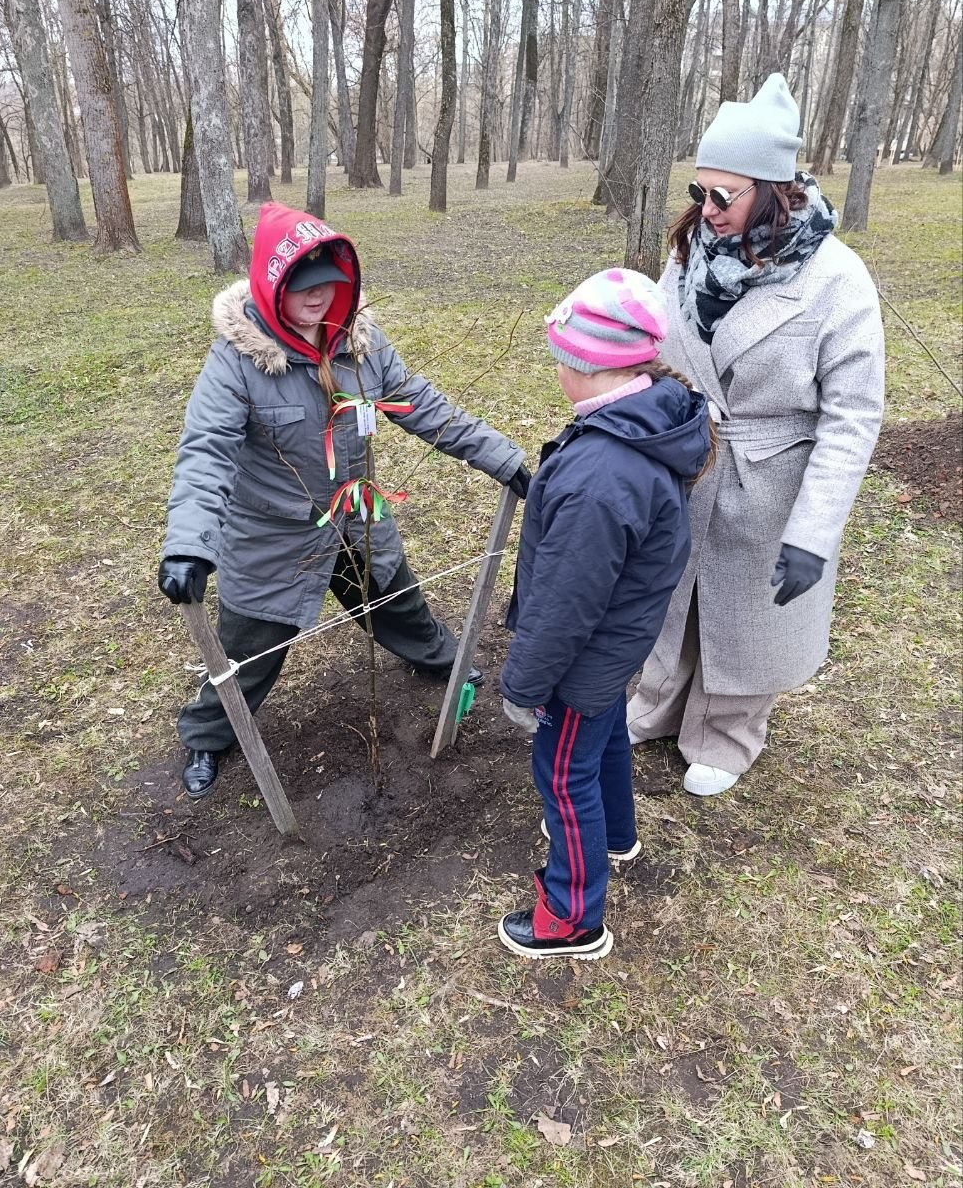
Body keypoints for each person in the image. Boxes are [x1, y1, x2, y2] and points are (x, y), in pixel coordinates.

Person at [158, 202, 530, 799]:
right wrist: (187, 546)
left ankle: (435, 657)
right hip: (273, 538)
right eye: (303, 286)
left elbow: (421, 405)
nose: (318, 298)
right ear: (273, 283)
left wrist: (505, 459)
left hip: (357, 519)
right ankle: (208, 733)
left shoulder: (364, 343)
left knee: (397, 599)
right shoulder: (235, 362)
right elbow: (206, 451)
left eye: (330, 284)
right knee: (249, 649)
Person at [626, 73, 885, 797]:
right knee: (673, 592)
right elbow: (654, 345)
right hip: (685, 460)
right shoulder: (689, 258)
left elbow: (854, 414)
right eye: (697, 192)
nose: (704, 211)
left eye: (722, 196)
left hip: (771, 477)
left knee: (743, 610)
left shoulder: (836, 279)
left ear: (773, 190)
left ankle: (729, 730)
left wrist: (813, 532)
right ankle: (655, 703)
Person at [498, 269, 713, 960]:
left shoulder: (601, 473)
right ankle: (617, 833)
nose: (557, 369)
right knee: (603, 740)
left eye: (562, 357)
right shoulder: (646, 419)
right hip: (619, 646)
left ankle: (572, 916)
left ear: (587, 365)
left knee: (563, 775)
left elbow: (565, 603)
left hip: (582, 662)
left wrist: (524, 685)